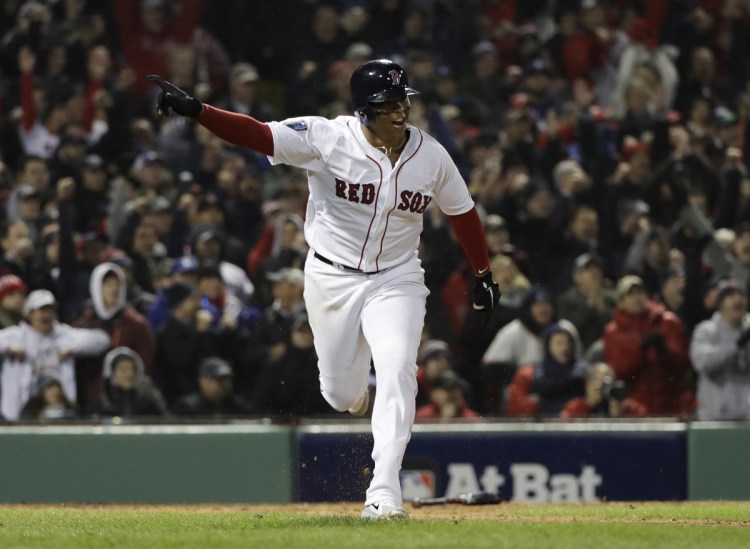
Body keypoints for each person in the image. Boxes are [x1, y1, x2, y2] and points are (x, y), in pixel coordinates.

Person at [148, 58, 500, 519]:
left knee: (398, 367)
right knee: (339, 393)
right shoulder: (327, 138)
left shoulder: (430, 156)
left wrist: (482, 273)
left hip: (397, 277)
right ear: (363, 110)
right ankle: (359, 397)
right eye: (387, 104)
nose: (400, 112)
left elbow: (463, 212)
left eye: (403, 101)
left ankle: (384, 489)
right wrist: (199, 112)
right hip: (331, 278)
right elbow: (258, 134)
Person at [0, 289, 111, 421]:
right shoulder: (16, 336)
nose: (47, 315)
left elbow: (103, 340)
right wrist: (7, 348)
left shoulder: (63, 335)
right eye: (42, 310)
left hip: (60, 412)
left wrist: (72, 348)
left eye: (51, 310)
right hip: (17, 411)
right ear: (30, 314)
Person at [689, 280, 750, 420]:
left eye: (741, 295)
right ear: (720, 303)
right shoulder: (706, 330)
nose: (737, 299)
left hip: (747, 419)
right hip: (715, 419)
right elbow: (703, 363)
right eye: (730, 295)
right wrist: (736, 345)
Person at [87, 347, 169, 420]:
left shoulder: (148, 399)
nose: (129, 374)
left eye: (133, 369)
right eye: (123, 370)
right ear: (112, 373)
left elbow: (165, 421)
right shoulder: (101, 403)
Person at [172, 357, 254, 419]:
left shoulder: (240, 407)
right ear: (203, 381)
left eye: (227, 379)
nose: (224, 384)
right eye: (218, 380)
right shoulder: (187, 408)